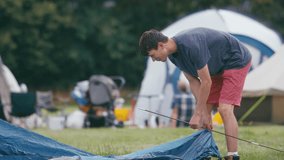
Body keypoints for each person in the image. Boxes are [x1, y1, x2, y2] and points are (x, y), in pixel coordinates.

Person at [139, 27, 252, 160]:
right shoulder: (173, 57)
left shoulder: (191, 45)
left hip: (236, 60)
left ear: (161, 45)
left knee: (224, 109)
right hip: (216, 69)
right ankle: (203, 153)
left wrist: (197, 114)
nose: (153, 59)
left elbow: (206, 81)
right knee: (206, 111)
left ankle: (233, 155)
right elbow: (193, 81)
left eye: (152, 55)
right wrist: (203, 112)